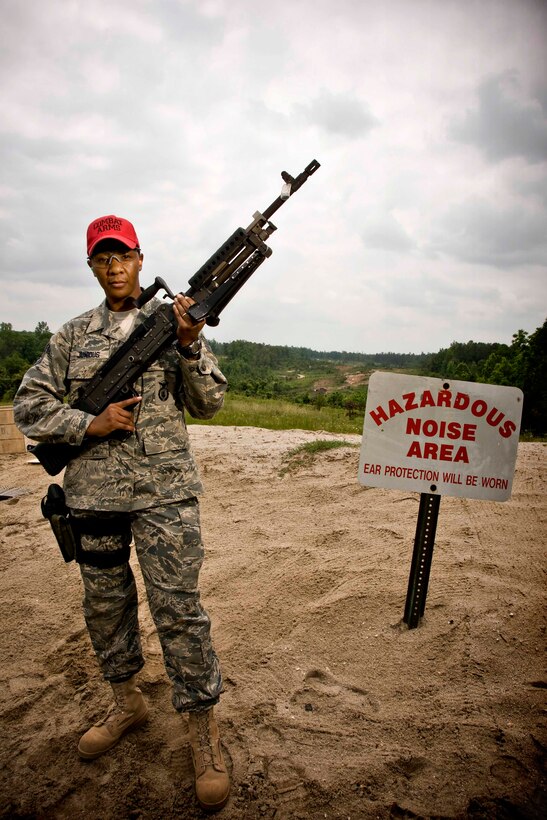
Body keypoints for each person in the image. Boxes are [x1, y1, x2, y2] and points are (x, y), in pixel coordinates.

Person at [13, 214, 230, 812]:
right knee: (106, 607)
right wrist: (89, 423)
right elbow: (28, 404)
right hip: (93, 497)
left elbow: (210, 403)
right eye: (102, 259)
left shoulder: (173, 321)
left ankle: (202, 732)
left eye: (123, 256)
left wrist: (188, 344)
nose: (114, 267)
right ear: (92, 267)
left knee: (179, 610)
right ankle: (127, 701)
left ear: (140, 259)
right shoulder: (72, 336)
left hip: (164, 495)